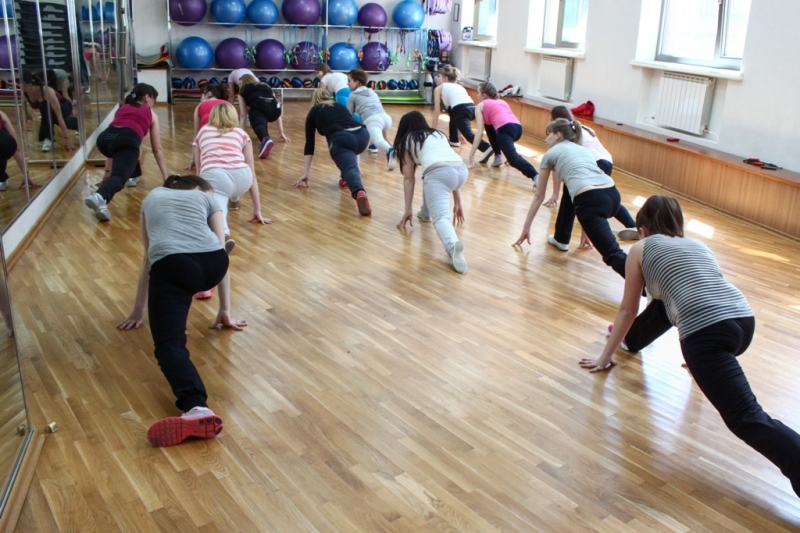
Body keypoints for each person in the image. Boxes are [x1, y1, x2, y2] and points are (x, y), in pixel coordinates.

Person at [580, 194, 800, 498]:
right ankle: (697, 359)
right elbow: (695, 290)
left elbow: (628, 310)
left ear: (642, 230)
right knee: (671, 310)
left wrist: (605, 357)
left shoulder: (640, 248)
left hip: (708, 334)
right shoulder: (699, 245)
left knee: (746, 418)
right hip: (742, 321)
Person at [118, 174, 247, 447]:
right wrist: (225, 309)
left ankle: (196, 406)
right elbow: (220, 247)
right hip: (214, 265)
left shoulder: (152, 197)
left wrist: (138, 311)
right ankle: (204, 295)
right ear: (197, 189)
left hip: (174, 266)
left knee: (169, 343)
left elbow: (148, 258)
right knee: (205, 263)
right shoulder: (206, 199)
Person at [513, 118, 628, 278]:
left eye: (548, 134)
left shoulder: (550, 154)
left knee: (613, 254)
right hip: (612, 195)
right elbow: (589, 184)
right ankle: (648, 280)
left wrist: (526, 228)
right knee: (614, 252)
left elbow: (539, 196)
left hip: (591, 201)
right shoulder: (584, 150)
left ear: (558, 135)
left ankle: (648, 285)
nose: (545, 139)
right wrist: (587, 230)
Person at [547, 105, 639, 249]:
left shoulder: (564, 134)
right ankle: (632, 225)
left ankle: (561, 239)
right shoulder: (583, 127)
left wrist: (555, 193)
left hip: (591, 163)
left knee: (570, 198)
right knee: (602, 195)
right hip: (606, 161)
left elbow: (556, 167)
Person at [193, 103, 272, 259]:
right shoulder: (241, 133)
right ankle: (234, 199)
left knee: (218, 206)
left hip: (217, 177)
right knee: (230, 185)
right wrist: (257, 210)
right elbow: (252, 175)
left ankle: (223, 234)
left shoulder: (203, 132)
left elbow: (198, 171)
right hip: (242, 177)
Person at [394, 111, 468, 274]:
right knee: (430, 181)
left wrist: (407, 209)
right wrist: (458, 202)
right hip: (461, 170)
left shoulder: (407, 140)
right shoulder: (438, 134)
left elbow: (409, 178)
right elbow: (450, 166)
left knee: (441, 218)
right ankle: (425, 213)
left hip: (439, 173)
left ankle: (452, 246)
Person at [84, 84, 169, 221]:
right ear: (147, 97)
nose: (154, 104)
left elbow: (113, 148)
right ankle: (98, 196)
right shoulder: (151, 113)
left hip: (104, 140)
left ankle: (102, 205)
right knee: (119, 176)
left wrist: (107, 173)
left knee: (126, 155)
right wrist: (165, 176)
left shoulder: (122, 108)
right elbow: (157, 148)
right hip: (126, 141)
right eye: (154, 100)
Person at [294, 89, 372, 216]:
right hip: (363, 135)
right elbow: (351, 127)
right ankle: (345, 178)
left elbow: (309, 145)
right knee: (349, 165)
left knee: (349, 167)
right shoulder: (340, 105)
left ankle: (359, 191)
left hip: (342, 139)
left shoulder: (314, 111)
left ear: (314, 100)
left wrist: (306, 174)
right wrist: (357, 163)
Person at [468, 81, 539, 187]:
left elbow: (479, 133)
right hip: (517, 129)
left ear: (484, 95)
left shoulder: (480, 106)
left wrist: (471, 155)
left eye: (478, 93)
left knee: (512, 159)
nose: (477, 95)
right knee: (489, 125)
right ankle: (498, 156)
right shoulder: (502, 102)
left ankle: (536, 176)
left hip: (504, 129)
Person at [431, 65, 492, 162]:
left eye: (438, 76)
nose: (436, 78)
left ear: (445, 78)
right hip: (473, 108)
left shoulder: (439, 88)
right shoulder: (459, 86)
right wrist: (459, 133)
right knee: (452, 111)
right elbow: (455, 113)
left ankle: (487, 147)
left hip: (462, 110)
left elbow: (436, 113)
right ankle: (454, 139)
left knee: (469, 134)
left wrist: (432, 131)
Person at [346, 69, 395, 170]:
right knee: (374, 132)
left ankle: (389, 149)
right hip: (386, 118)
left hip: (373, 119)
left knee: (378, 140)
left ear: (357, 81)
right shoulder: (372, 91)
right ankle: (375, 146)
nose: (347, 84)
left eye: (349, 81)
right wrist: (386, 138)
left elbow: (348, 115)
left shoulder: (352, 95)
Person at [21, 70, 78, 153]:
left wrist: (67, 139)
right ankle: (77, 123)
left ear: (29, 84)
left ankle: (48, 139)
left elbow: (59, 116)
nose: (19, 86)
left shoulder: (46, 91)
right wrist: (26, 127)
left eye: (22, 83)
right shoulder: (25, 94)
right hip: (49, 112)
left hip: (64, 106)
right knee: (49, 114)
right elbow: (24, 112)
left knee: (45, 108)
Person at [237, 74, 290, 159]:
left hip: (260, 107)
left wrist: (240, 136)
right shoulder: (266, 86)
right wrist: (281, 132)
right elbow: (276, 103)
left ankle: (265, 139)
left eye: (240, 83)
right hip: (276, 110)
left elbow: (243, 115)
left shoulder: (242, 91)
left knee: (256, 118)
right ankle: (266, 138)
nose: (239, 85)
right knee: (261, 113)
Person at [187, 83, 234, 171]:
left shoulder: (200, 106)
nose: (200, 99)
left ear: (208, 93)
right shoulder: (229, 105)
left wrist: (194, 159)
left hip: (209, 147)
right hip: (230, 148)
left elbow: (196, 136)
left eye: (201, 96)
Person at [0, 110, 40, 191]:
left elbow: (16, 148)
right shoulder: (1, 114)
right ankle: (1, 178)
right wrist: (26, 174)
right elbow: (16, 148)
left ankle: (1, 178)